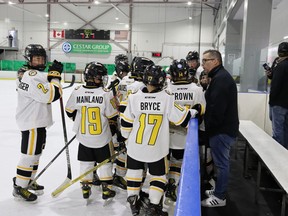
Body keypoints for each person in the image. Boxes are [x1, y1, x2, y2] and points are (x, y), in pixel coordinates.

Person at [121, 65, 198, 216]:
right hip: (157, 148)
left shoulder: (134, 96)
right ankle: (153, 207)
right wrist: (194, 112)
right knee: (158, 176)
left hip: (135, 146)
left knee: (134, 173)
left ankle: (133, 201)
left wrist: (125, 139)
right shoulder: (166, 98)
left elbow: (125, 123)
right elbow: (182, 119)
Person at [13, 44, 63, 202]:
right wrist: (55, 76)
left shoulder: (28, 74)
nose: (40, 61)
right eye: (36, 59)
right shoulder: (32, 75)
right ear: (29, 60)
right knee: (29, 156)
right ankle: (20, 186)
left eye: (42, 58)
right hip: (32, 122)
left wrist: (50, 76)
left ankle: (29, 180)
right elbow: (51, 95)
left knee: (36, 154)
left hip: (36, 121)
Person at [65, 62, 118, 201]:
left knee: (86, 163)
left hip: (84, 137)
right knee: (106, 163)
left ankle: (85, 187)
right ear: (94, 78)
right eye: (100, 77)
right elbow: (112, 115)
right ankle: (106, 189)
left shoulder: (77, 91)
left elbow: (69, 111)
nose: (102, 79)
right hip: (102, 138)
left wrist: (82, 120)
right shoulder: (105, 94)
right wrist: (113, 128)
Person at [201, 49, 239, 207]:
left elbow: (217, 109)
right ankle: (219, 190)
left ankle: (220, 197)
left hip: (221, 131)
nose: (203, 64)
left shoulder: (221, 79)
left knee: (222, 165)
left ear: (215, 61)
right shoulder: (218, 77)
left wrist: (207, 129)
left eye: (205, 60)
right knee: (220, 163)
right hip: (222, 129)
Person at [165, 59, 206, 203]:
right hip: (185, 134)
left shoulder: (166, 89)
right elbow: (201, 111)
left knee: (165, 163)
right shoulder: (196, 89)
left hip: (165, 134)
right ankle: (172, 185)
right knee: (178, 161)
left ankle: (161, 186)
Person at [268, 42, 288, 149]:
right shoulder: (277, 63)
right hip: (283, 102)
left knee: (278, 130)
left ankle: (277, 153)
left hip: (278, 102)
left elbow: (276, 84)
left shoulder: (281, 65)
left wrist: (272, 101)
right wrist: (270, 75)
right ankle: (285, 152)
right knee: (284, 128)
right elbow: (274, 78)